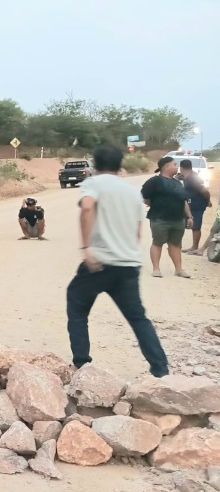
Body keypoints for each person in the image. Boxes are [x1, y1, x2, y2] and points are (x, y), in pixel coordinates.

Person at [66, 145, 169, 378]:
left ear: (95, 164)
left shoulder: (94, 183)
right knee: (138, 318)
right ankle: (161, 369)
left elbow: (88, 207)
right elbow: (137, 229)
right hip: (128, 264)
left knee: (77, 305)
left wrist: (86, 247)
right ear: (120, 164)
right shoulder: (132, 191)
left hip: (100, 262)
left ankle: (82, 364)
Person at [140, 156, 194, 278]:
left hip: (178, 219)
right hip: (160, 219)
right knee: (157, 243)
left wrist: (189, 216)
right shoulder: (154, 181)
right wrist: (156, 205)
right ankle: (156, 269)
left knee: (175, 244)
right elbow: (144, 197)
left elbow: (183, 201)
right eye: (174, 164)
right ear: (166, 166)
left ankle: (179, 269)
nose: (177, 167)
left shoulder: (177, 182)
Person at [179, 159, 212, 254]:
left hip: (198, 204)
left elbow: (204, 191)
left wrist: (208, 200)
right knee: (193, 226)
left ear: (181, 168)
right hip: (191, 204)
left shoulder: (193, 178)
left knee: (196, 226)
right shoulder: (187, 176)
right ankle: (193, 246)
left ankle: (195, 247)